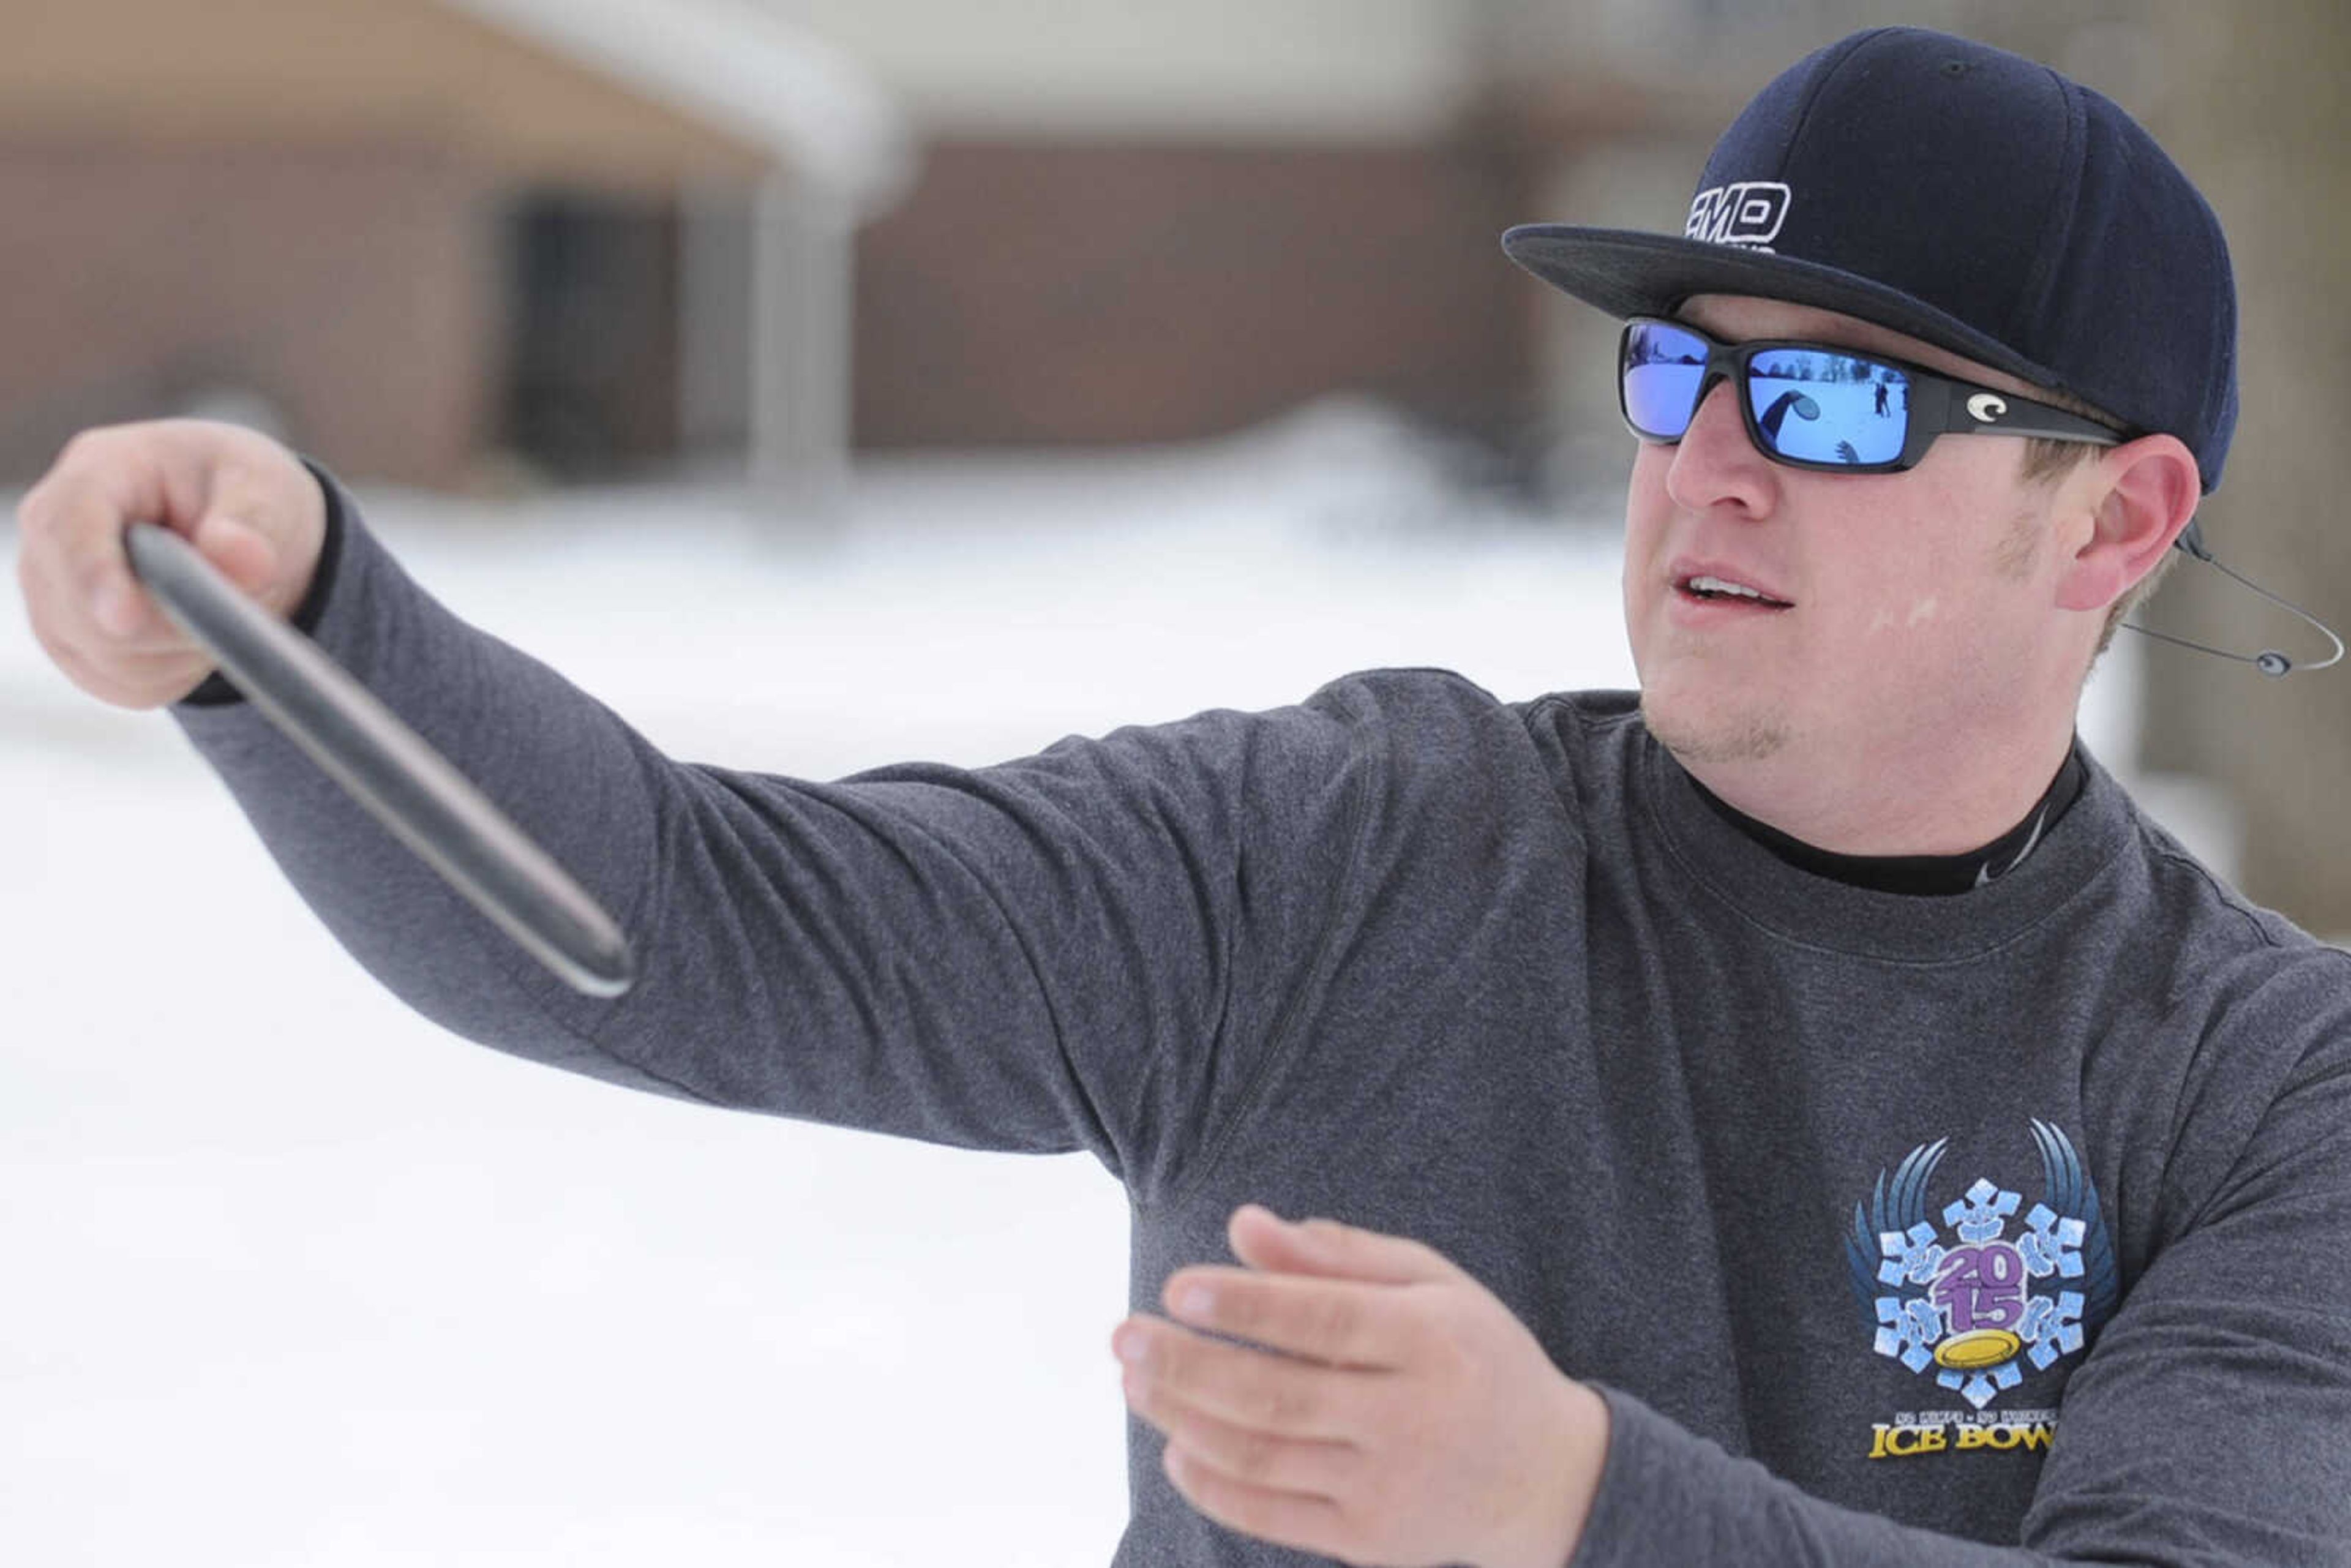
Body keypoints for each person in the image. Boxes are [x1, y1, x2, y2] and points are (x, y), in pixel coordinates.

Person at [17, 24, 2351, 1568]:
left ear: (2119, 520)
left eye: (1834, 408)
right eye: (1675, 374)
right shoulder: (1348, 849)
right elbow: (669, 920)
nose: (1707, 467)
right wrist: (304, 624)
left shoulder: (2268, 1082)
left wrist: (1564, 1505)